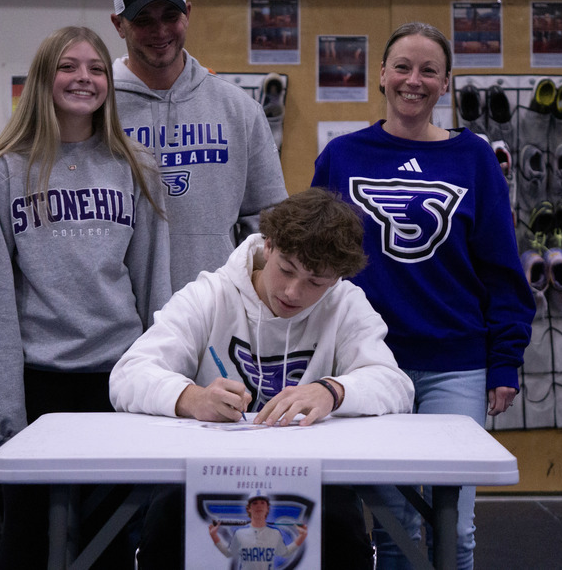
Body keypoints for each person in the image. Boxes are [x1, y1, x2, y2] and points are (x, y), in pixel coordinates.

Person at [310, 21, 535, 570]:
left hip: (455, 364)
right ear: (382, 75)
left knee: (453, 530)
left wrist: (504, 363)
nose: (414, 80)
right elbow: (315, 263)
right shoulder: (342, 156)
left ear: (446, 84)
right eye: (403, 67)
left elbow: (503, 270)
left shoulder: (474, 157)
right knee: (394, 528)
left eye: (428, 70)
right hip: (367, 365)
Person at [110, 187, 414, 568]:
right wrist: (191, 398)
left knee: (339, 525)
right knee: (169, 519)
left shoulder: (346, 303)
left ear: (336, 278)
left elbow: (395, 383)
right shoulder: (211, 294)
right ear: (267, 246)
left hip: (311, 473)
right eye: (286, 269)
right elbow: (129, 373)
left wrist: (333, 390)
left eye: (315, 282)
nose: (293, 291)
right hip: (208, 470)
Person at [0, 25, 171, 569]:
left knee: (108, 547)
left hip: (117, 382)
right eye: (69, 66)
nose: (85, 78)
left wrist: (159, 386)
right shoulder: (4, 171)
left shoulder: (137, 168)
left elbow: (156, 289)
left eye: (97, 68)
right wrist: (6, 420)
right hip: (39, 387)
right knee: (28, 544)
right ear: (43, 79)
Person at [110, 0, 288, 292]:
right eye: (143, 19)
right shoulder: (96, 110)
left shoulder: (239, 109)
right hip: (119, 322)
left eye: (170, 16)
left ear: (187, 14)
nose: (160, 31)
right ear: (118, 24)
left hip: (216, 317)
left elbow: (271, 222)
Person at [209, 493, 308, 569]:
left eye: (262, 503)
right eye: (255, 504)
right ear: (249, 509)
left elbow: (286, 553)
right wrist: (214, 535)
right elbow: (229, 552)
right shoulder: (241, 534)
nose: (259, 506)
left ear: (267, 509)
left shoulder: (274, 533)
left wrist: (301, 537)